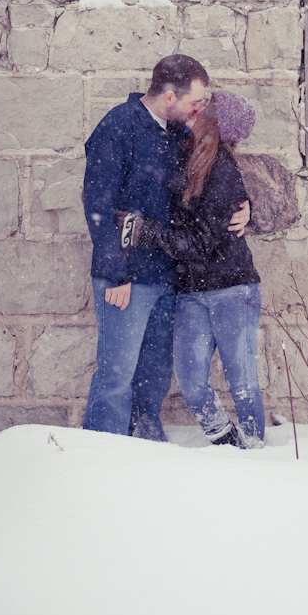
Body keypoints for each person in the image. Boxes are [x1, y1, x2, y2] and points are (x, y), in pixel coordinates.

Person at [82, 54, 250, 440]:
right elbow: (97, 204)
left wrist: (245, 209)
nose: (203, 107)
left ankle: (146, 448)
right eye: (197, 100)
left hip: (169, 276)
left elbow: (213, 180)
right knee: (116, 375)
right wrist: (116, 273)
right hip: (127, 278)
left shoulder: (177, 132)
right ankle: (97, 458)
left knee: (155, 374)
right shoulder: (118, 127)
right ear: (170, 97)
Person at [120, 90, 265, 449]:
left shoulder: (222, 171)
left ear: (214, 124)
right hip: (190, 290)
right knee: (191, 384)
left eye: (204, 108)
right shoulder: (185, 154)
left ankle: (256, 455)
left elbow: (201, 243)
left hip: (232, 289)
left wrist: (147, 231)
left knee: (242, 381)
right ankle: (228, 444)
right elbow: (151, 106)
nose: (195, 110)